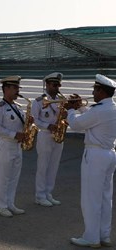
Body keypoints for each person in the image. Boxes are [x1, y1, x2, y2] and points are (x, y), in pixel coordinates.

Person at [66, 74, 116, 248]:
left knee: (90, 198)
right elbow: (94, 118)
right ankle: (104, 235)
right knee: (105, 198)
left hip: (95, 156)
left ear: (101, 91)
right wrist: (80, 108)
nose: (93, 93)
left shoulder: (100, 110)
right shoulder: (110, 108)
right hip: (109, 154)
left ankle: (91, 238)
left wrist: (70, 110)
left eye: (94, 90)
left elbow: (77, 125)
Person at [0, 76, 28, 218]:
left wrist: (28, 123)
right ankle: (1, 206)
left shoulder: (18, 107)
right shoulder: (0, 107)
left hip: (17, 146)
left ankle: (10, 203)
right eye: (15, 88)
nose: (17, 91)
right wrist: (14, 135)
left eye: (18, 88)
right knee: (4, 177)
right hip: (5, 145)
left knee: (14, 176)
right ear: (6, 89)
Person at [31, 72, 64, 207]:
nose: (57, 88)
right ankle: (39, 195)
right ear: (47, 85)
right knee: (43, 166)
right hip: (44, 135)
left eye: (58, 85)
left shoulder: (62, 100)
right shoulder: (38, 101)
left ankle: (48, 193)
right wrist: (47, 125)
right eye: (54, 85)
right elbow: (34, 120)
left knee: (53, 166)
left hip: (58, 136)